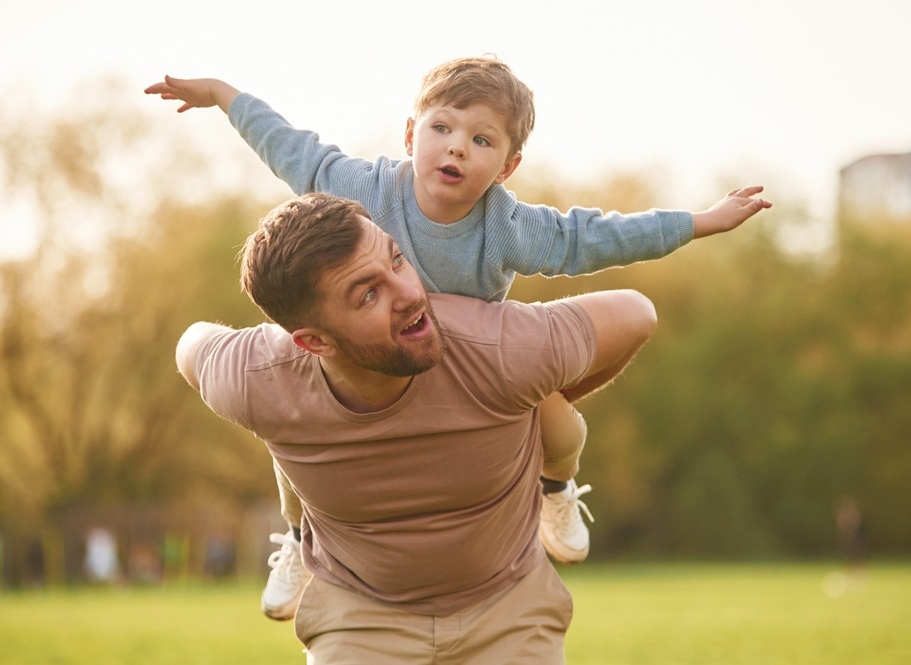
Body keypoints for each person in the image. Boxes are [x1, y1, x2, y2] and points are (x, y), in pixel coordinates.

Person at [146, 56, 772, 618]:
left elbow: (596, 237)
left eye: (481, 140)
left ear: (507, 166)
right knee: (293, 450)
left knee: (563, 430)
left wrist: (699, 222)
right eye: (442, 128)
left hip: (467, 368)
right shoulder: (362, 189)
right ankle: (301, 539)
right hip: (367, 361)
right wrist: (222, 94)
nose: (457, 148)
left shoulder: (509, 227)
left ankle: (555, 490)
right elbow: (290, 148)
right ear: (411, 134)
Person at [176, 192, 664, 663]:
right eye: (369, 294)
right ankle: (298, 536)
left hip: (509, 605)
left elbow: (637, 314)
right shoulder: (256, 379)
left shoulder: (496, 348)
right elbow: (191, 347)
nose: (411, 294)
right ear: (314, 342)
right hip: (358, 618)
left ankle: (557, 487)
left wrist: (530, 404)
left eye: (397, 260)